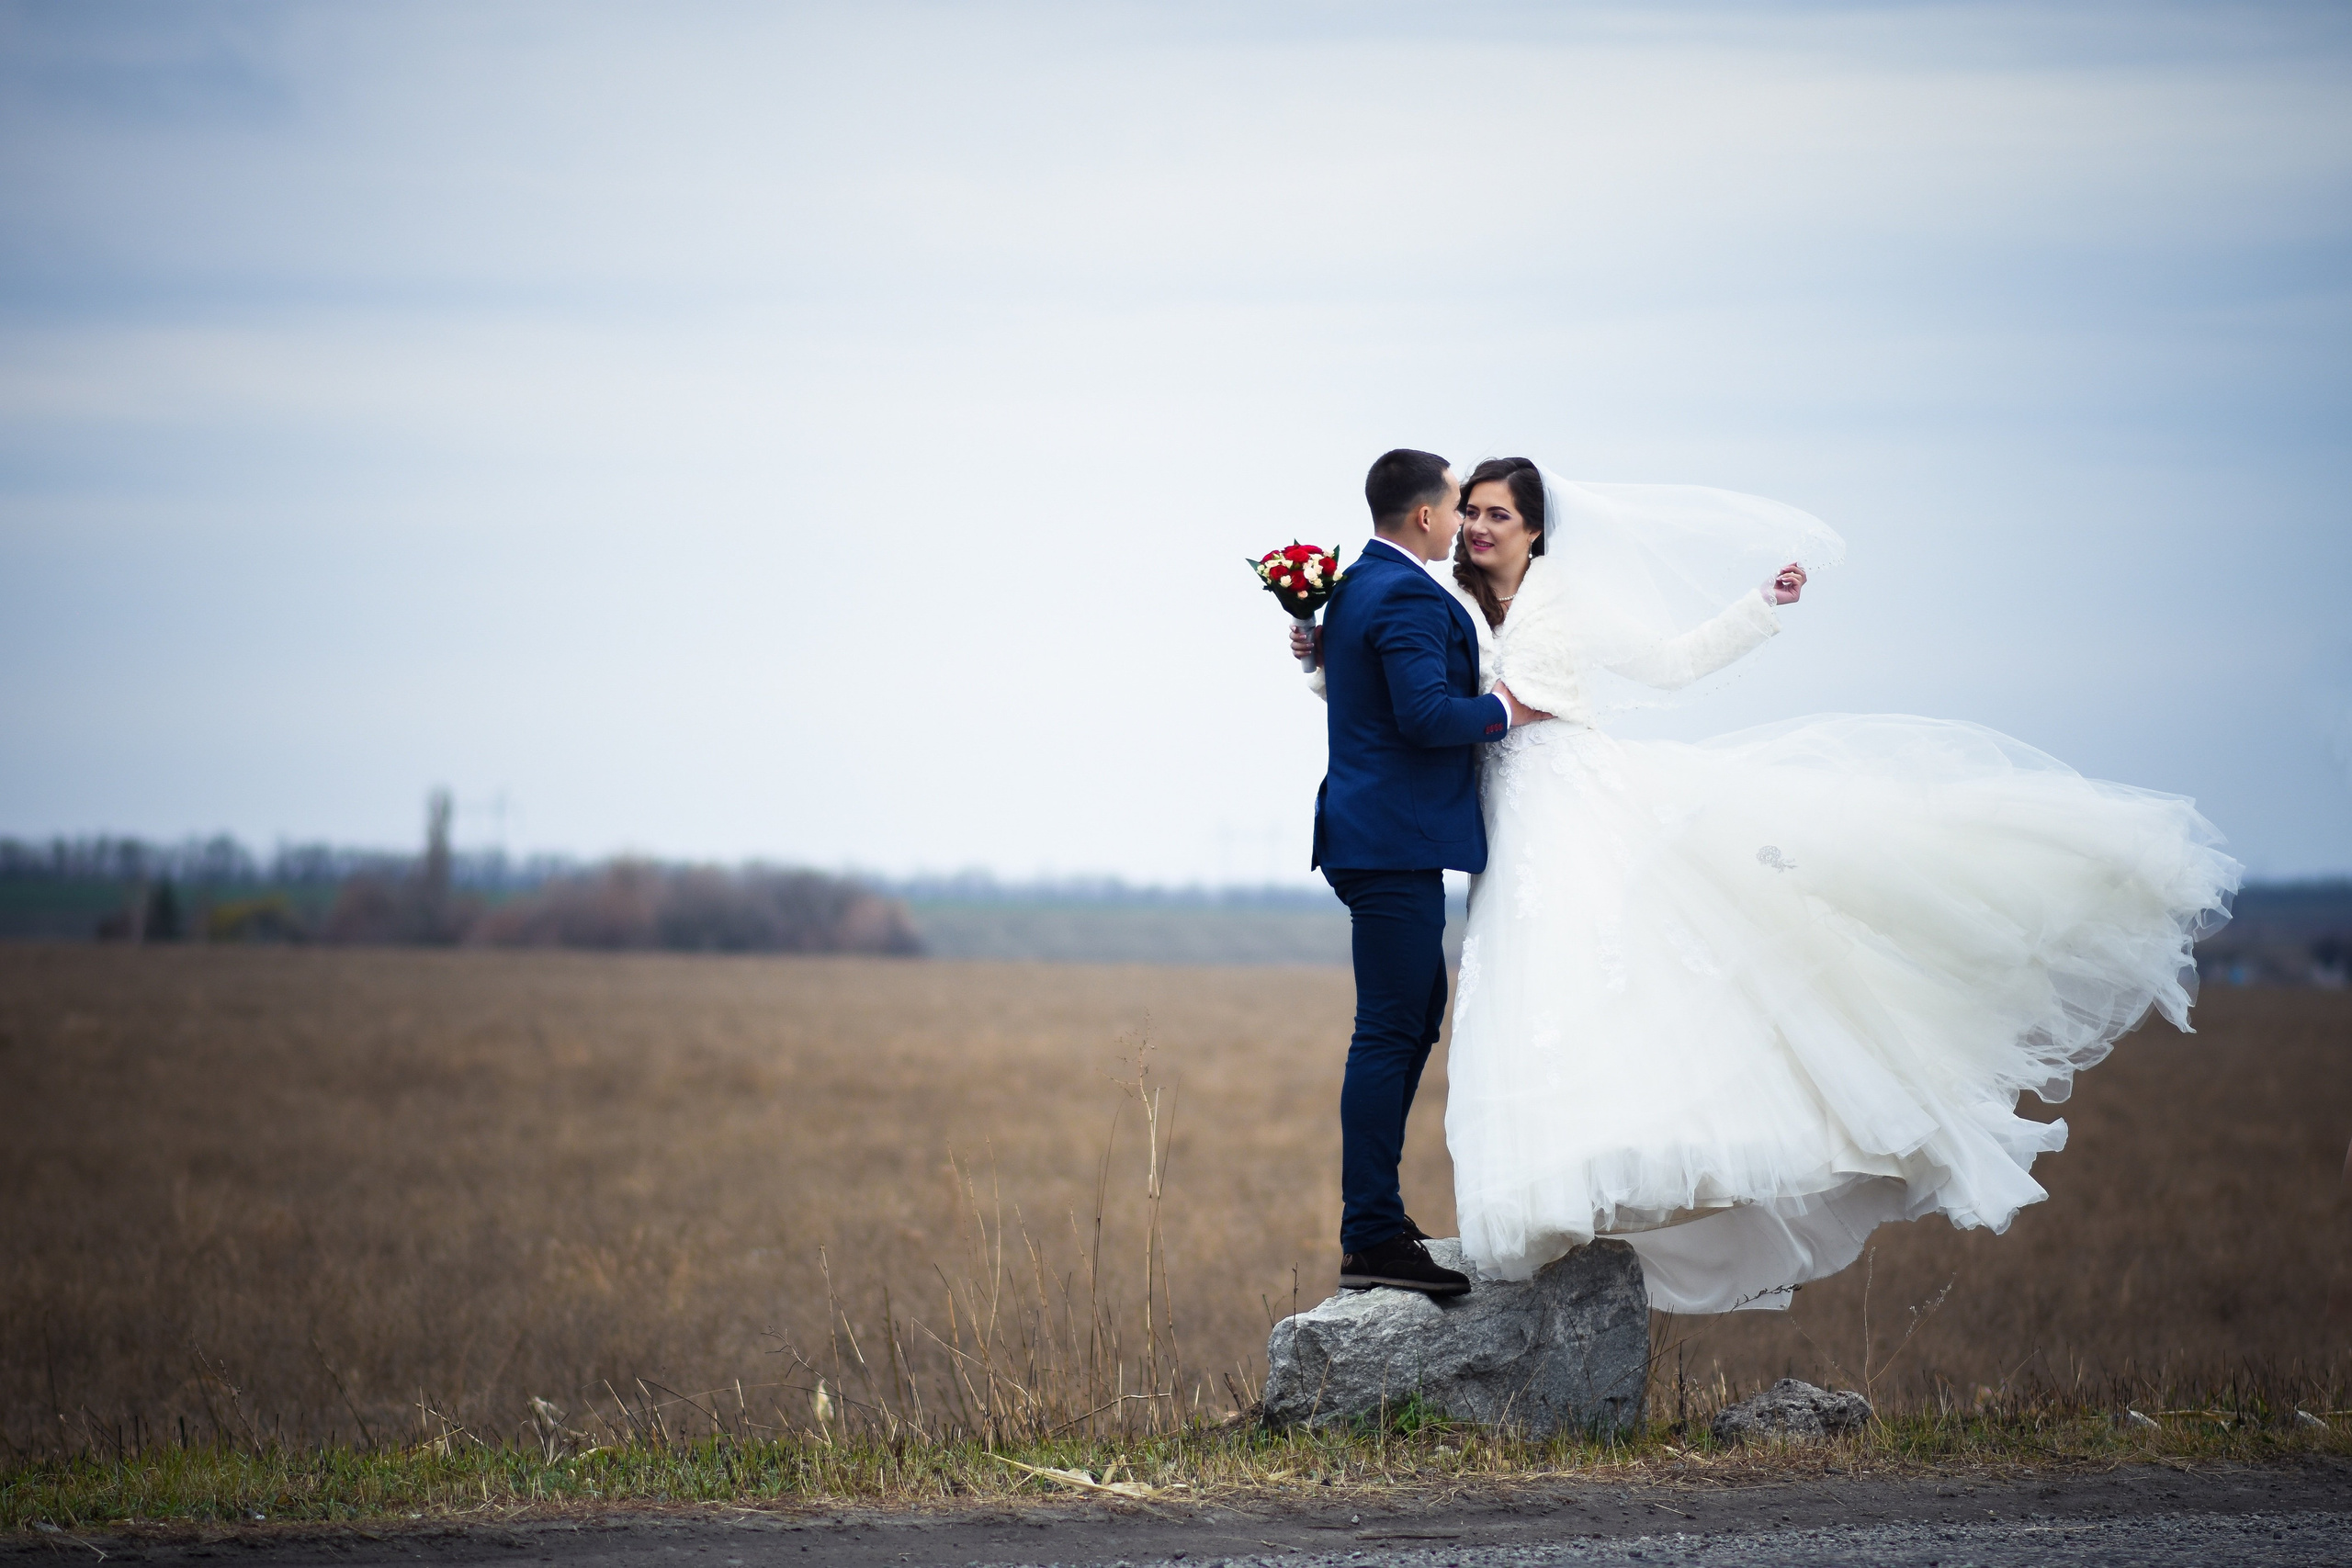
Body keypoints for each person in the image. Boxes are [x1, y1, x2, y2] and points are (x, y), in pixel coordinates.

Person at [1293, 457, 2239, 1314]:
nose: (1480, 527)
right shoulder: (1445, 597)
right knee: (1519, 1006)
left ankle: (1649, 1158)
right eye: (1473, 512)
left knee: (1618, 976)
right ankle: (1529, 1197)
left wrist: (1758, 607)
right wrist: (1325, 657)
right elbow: (1401, 685)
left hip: (1570, 805)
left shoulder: (1561, 600)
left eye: (1497, 514)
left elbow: (1666, 664)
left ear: (1537, 529)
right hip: (1499, 826)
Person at [1309, 448, 1548, 1296]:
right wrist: (1506, 709)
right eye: (1456, 507)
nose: (1462, 522)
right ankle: (1371, 1231)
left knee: (1413, 1019)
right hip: (1388, 842)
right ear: (1424, 516)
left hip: (1376, 836)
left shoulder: (1359, 585)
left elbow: (1360, 689)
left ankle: (1378, 1219)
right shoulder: (1407, 591)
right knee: (1389, 1028)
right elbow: (1422, 715)